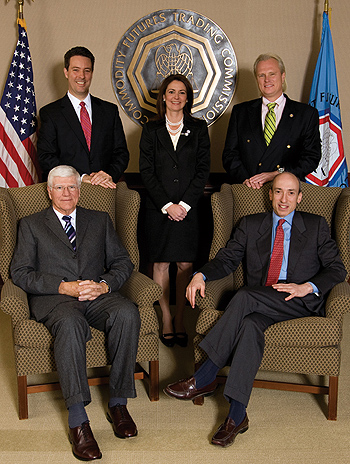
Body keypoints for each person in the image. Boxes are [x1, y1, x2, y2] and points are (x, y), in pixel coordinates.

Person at [164, 172, 346, 447]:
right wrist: (200, 275)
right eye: (278, 192)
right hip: (262, 300)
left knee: (246, 296)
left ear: (299, 196)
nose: (284, 199)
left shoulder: (316, 225)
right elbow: (226, 260)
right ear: (270, 194)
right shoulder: (250, 224)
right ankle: (237, 416)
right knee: (249, 326)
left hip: (299, 301)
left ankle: (205, 375)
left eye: (291, 193)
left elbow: (338, 269)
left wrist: (307, 286)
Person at [10, 165, 140, 461]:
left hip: (96, 296)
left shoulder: (100, 220)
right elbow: (20, 272)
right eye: (60, 188)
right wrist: (62, 286)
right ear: (49, 191)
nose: (66, 193)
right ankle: (78, 419)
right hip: (57, 299)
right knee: (69, 325)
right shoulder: (31, 224)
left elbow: (122, 262)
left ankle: (118, 403)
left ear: (79, 191)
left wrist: (104, 286)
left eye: (72, 187)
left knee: (127, 313)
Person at [139, 74, 210, 348]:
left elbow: (203, 169)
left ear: (187, 98)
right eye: (171, 91)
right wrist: (168, 206)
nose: (176, 97)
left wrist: (185, 205)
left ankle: (181, 318)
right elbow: (146, 171)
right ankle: (166, 318)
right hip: (159, 209)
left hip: (189, 209)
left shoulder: (199, 128)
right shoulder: (150, 130)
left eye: (182, 92)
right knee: (160, 264)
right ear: (163, 97)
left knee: (184, 265)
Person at [222, 53, 321, 188]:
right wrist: (247, 180)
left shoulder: (306, 114)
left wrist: (277, 174)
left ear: (283, 76)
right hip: (250, 190)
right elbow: (229, 155)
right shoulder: (240, 112)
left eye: (272, 74)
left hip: (287, 192)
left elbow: (311, 157)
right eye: (261, 75)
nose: (267, 80)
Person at [38, 46, 129, 188]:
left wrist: (108, 174)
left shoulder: (109, 111)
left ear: (92, 73)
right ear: (66, 72)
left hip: (104, 189)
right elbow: (46, 157)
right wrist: (80, 177)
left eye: (87, 70)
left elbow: (121, 153)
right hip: (67, 192)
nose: (82, 76)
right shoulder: (50, 113)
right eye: (76, 70)